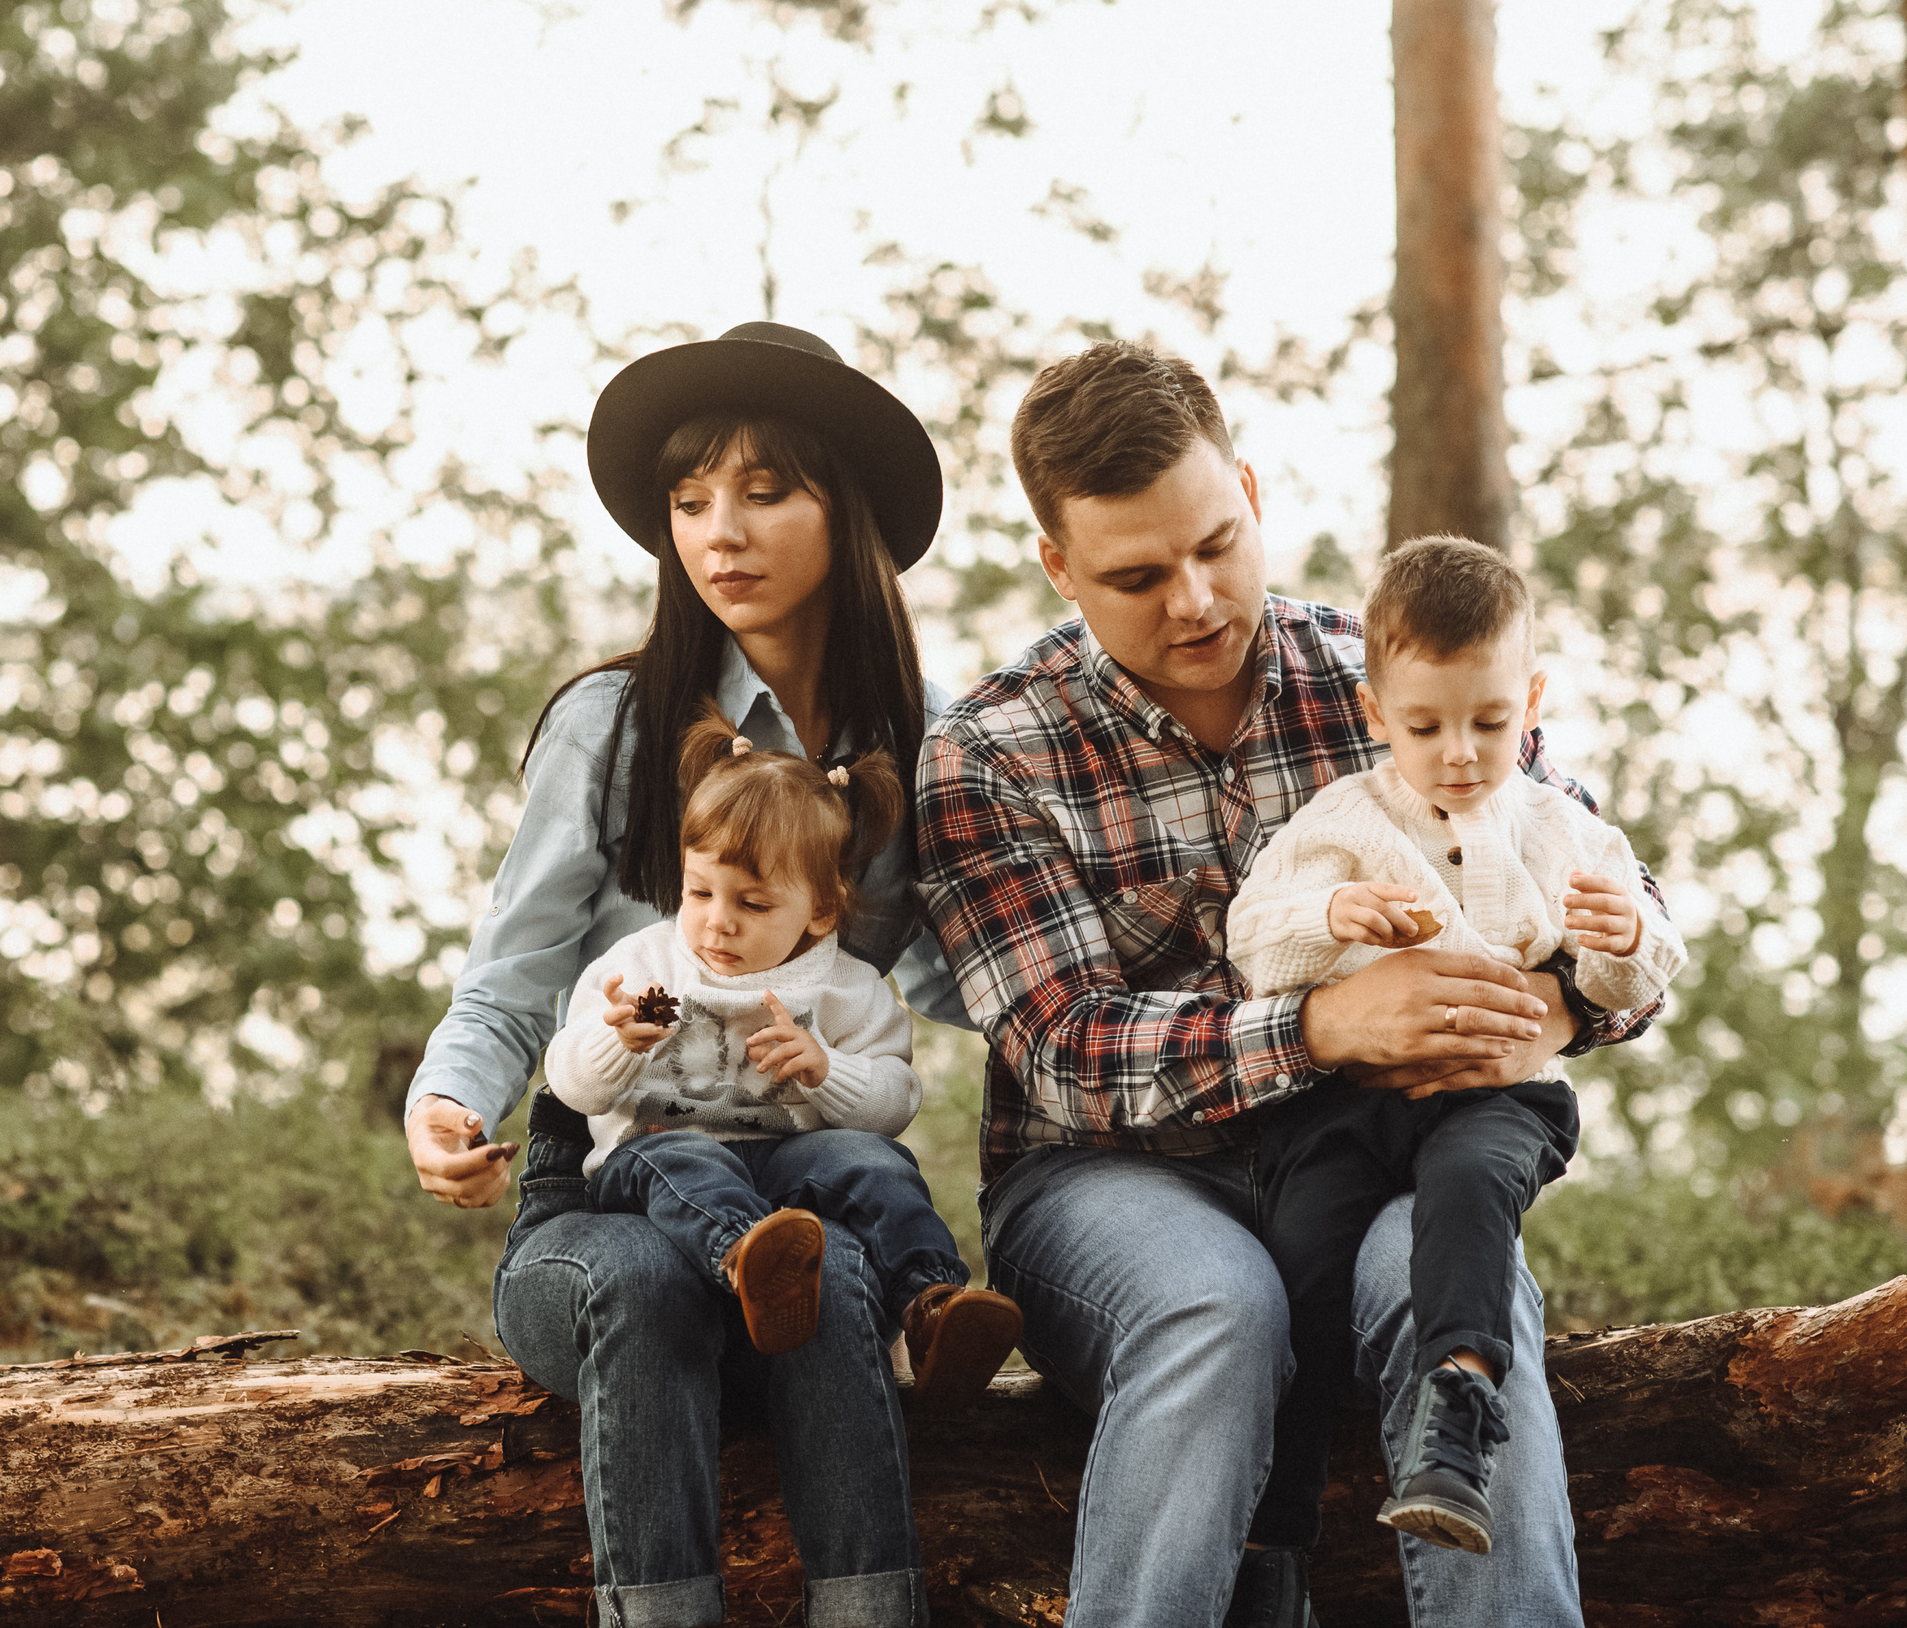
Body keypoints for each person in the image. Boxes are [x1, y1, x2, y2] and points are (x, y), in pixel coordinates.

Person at [915, 340, 1665, 1628]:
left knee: (1451, 1291)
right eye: (1137, 576)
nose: (1196, 599)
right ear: (1057, 566)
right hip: (1111, 1177)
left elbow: (1600, 885)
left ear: (1251, 495)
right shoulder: (986, 756)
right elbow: (1061, 1049)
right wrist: (1318, 1022)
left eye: (1217, 543)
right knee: (1219, 1308)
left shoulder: (1391, 682)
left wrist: (1552, 1005)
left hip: (1375, 1150)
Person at [405, 320, 977, 1628]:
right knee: (650, 1276)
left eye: (766, 490)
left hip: (799, 1174)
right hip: (602, 1184)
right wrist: (449, 1099)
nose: (719, 529)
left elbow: (972, 970)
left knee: (829, 1259)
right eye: (690, 497)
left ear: (850, 511)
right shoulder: (612, 723)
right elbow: (519, 965)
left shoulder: (929, 742)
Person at [1225, 536, 1685, 1561]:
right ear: (1377, 713)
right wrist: (1333, 912)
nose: (1462, 752)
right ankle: (1277, 1535)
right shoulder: (1343, 817)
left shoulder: (1562, 827)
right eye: (1425, 726)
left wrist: (1622, 945)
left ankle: (1460, 1414)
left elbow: (1643, 973)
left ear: (1530, 701)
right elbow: (1256, 940)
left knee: (1473, 1192)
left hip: (1497, 1095)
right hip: (1353, 1099)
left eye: (1488, 721)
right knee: (1298, 1264)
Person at [548, 703, 1021, 1395]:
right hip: (659, 1158)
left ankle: (932, 1307)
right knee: (676, 1152)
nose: (717, 920)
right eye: (699, 890)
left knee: (871, 1160)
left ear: (821, 910)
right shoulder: (655, 970)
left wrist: (828, 1071)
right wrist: (615, 1040)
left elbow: (896, 1100)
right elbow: (572, 1083)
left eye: (754, 904)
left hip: (787, 1167)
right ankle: (750, 1262)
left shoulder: (842, 988)